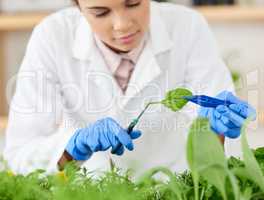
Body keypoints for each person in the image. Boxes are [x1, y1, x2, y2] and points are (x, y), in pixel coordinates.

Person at [4, 0, 256, 175]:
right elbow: (20, 153)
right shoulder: (52, 37)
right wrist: (72, 148)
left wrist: (218, 129)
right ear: (78, 7)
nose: (122, 25)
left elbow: (221, 145)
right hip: (93, 190)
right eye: (100, 12)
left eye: (133, 3)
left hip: (174, 188)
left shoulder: (187, 26)